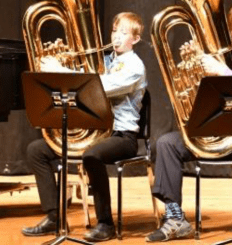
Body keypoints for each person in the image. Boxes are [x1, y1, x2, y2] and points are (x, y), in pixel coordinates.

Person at [146, 2, 232, 245]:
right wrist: (193, 71)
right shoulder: (217, 56)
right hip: (219, 130)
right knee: (167, 143)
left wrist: (219, 71)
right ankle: (176, 218)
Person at [21, 12, 147, 242]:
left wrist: (63, 71)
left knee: (92, 157)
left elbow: (97, 87)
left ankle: (105, 224)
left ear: (135, 39)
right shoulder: (105, 61)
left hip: (122, 136)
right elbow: (85, 79)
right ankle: (54, 217)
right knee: (36, 150)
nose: (116, 37)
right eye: (114, 31)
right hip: (94, 132)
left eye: (124, 33)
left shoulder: (134, 66)